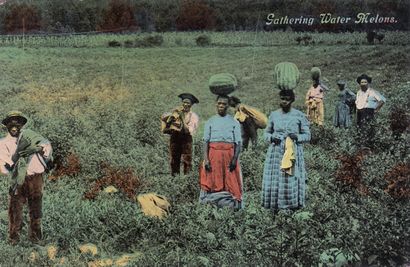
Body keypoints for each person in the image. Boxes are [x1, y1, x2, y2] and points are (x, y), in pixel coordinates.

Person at [0, 111, 53, 245]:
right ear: (6, 125)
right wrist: (19, 152)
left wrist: (36, 149)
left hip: (36, 177)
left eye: (17, 122)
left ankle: (36, 240)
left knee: (36, 208)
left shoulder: (31, 136)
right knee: (15, 210)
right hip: (18, 180)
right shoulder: (3, 143)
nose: (14, 126)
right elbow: (6, 166)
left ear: (22, 124)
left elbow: (47, 148)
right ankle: (14, 240)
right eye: (10, 123)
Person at [262, 90, 310, 211]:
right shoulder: (274, 115)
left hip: (292, 151)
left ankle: (290, 205)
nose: (284, 101)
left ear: (292, 100)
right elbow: (266, 133)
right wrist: (272, 137)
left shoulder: (299, 115)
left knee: (290, 177)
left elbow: (307, 135)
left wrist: (297, 137)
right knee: (276, 178)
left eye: (287, 99)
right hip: (276, 152)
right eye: (282, 98)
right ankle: (274, 205)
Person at [199, 95, 243, 209]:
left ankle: (230, 204)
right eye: (219, 103)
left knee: (230, 180)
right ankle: (212, 203)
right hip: (214, 155)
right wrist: (206, 159)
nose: (221, 106)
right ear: (216, 104)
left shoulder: (234, 122)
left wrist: (235, 159)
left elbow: (238, 143)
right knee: (213, 179)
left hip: (229, 155)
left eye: (224, 104)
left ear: (228, 106)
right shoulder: (210, 121)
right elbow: (206, 142)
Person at [166, 93, 199, 176]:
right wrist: (170, 119)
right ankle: (175, 180)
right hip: (175, 138)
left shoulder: (194, 116)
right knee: (174, 160)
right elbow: (167, 128)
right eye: (184, 102)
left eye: (188, 103)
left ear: (191, 104)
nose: (185, 104)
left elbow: (188, 131)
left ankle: (187, 182)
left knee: (187, 161)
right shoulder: (176, 113)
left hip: (186, 140)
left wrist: (182, 118)